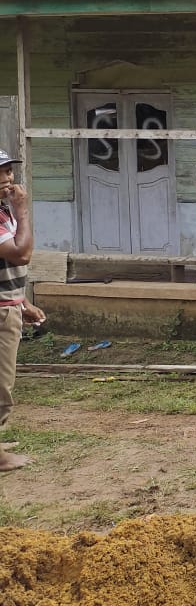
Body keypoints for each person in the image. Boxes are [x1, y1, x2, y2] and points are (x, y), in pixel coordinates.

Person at [0, 148, 35, 471]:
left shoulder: (2, 211)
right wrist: (23, 211)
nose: (7, 180)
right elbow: (20, 254)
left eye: (8, 171)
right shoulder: (8, 213)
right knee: (1, 383)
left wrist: (22, 302)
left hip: (7, 305)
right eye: (1, 174)